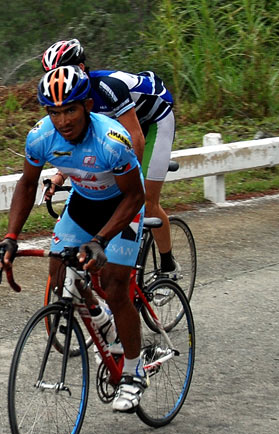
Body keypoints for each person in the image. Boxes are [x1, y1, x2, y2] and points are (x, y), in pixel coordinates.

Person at [0, 65, 148, 413]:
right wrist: (11, 236)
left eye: (70, 110)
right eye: (54, 112)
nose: (63, 120)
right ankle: (102, 320)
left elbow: (135, 197)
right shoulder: (40, 137)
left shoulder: (112, 140)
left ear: (88, 106)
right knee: (59, 269)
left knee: (115, 283)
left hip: (121, 206)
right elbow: (28, 184)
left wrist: (101, 239)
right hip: (83, 204)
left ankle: (134, 372)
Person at [41, 39, 179, 276]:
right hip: (121, 123)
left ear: (81, 69)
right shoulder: (71, 99)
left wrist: (125, 178)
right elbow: (80, 144)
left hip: (154, 119)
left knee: (144, 200)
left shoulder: (108, 87)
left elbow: (136, 138)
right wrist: (60, 174)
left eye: (64, 72)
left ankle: (168, 265)